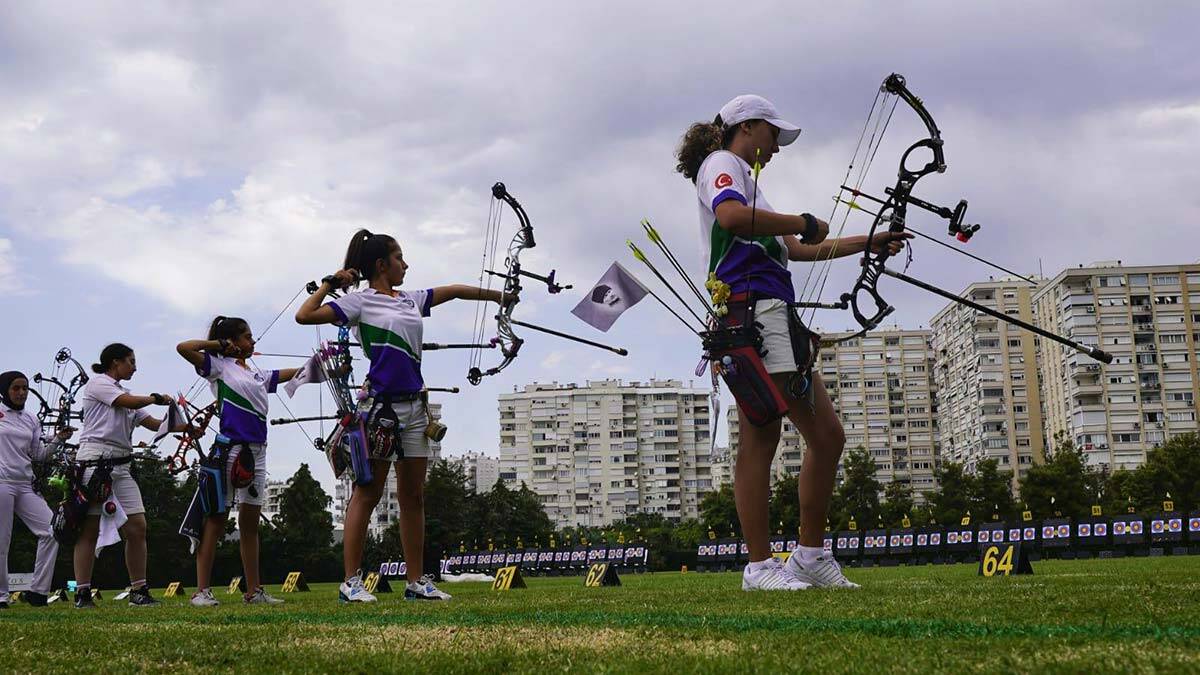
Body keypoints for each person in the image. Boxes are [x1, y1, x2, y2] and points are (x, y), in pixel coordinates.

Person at [676, 94, 910, 591]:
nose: (777, 147)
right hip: (750, 311)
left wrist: (869, 242)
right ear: (748, 127)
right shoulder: (722, 164)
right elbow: (731, 218)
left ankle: (808, 556)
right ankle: (759, 568)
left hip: (775, 315)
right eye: (773, 135)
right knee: (761, 433)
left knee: (827, 437)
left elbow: (800, 250)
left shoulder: (755, 189)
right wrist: (801, 220)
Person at [295, 229, 512, 603]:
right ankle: (351, 581)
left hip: (414, 408)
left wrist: (502, 297)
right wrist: (333, 281)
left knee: (413, 496)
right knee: (368, 493)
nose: (406, 264)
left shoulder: (411, 300)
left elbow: (456, 291)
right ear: (382, 265)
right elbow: (305, 315)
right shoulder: (359, 302)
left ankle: (416, 581)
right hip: (381, 408)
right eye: (400, 258)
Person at [176, 317, 301, 607]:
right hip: (232, 450)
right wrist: (217, 346)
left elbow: (286, 374)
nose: (252, 341)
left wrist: (322, 366)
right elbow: (183, 347)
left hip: (258, 451)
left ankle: (253, 591)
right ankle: (201, 591)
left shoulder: (254, 372)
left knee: (250, 524)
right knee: (216, 521)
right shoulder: (218, 367)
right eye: (246, 337)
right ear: (232, 341)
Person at [72, 343, 191, 608]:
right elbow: (128, 402)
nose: (135, 367)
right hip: (94, 464)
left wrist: (189, 427)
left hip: (121, 467)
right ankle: (82, 593)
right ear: (116, 362)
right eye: (131, 361)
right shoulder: (99, 385)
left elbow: (155, 425)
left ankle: (139, 591)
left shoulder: (126, 395)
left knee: (137, 528)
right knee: (89, 531)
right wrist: (156, 397)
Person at [0, 371, 70, 608]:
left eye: (25, 388)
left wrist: (59, 438)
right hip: (1, 482)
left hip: (25, 483)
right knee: (2, 541)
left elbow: (39, 454)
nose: (21, 393)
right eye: (15, 388)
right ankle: (1, 596)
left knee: (51, 530)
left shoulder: (31, 419)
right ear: (4, 390)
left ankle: (38, 592)